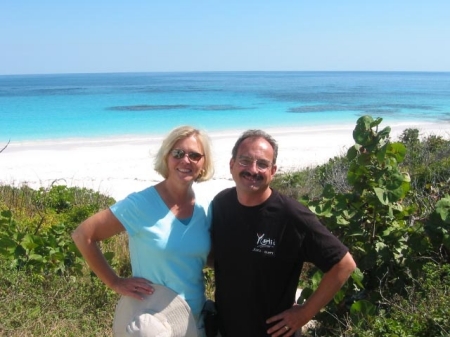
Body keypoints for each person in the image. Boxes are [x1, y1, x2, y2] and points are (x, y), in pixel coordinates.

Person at [211, 129, 356, 337]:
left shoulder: (292, 216)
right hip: (225, 330)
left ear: (273, 171)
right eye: (245, 161)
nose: (253, 169)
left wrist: (305, 313)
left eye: (262, 164)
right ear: (231, 164)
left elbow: (344, 264)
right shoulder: (221, 203)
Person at [72, 126, 214, 336]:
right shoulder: (141, 204)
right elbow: (83, 235)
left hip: (197, 323)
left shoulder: (203, 209)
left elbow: (202, 259)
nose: (186, 160)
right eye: (178, 153)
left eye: (194, 155)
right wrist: (114, 282)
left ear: (203, 164)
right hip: (154, 323)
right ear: (166, 158)